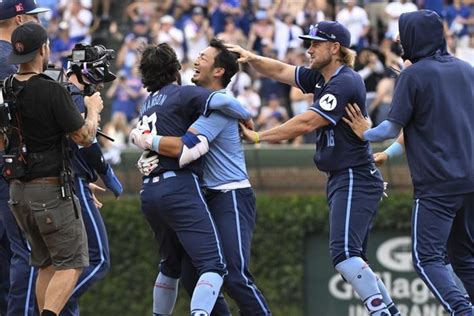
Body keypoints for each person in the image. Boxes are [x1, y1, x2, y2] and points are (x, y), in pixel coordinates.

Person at [228, 21, 400, 316]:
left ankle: (381, 313)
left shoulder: (344, 80)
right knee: (353, 256)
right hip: (345, 176)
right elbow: (281, 71)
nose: (309, 49)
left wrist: (260, 136)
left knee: (345, 255)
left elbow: (308, 122)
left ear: (335, 49)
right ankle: (389, 312)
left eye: (315, 43)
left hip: (354, 175)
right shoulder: (323, 77)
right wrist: (251, 56)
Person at [342, 10, 474, 316]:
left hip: (437, 185)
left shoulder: (413, 75)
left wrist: (365, 133)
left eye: (403, 33)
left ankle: (462, 311)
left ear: (417, 36)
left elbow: (389, 128)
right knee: (464, 257)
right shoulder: (467, 69)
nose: (398, 38)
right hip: (469, 181)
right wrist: (388, 154)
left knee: (426, 259)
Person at [135, 38, 272, 316]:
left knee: (233, 274)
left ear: (219, 71)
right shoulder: (192, 103)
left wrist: (148, 142)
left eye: (203, 57)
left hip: (228, 194)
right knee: (191, 274)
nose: (196, 61)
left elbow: (183, 150)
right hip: (202, 194)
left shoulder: (218, 109)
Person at [4, 22, 104, 316]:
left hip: (17, 192)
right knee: (72, 263)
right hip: (49, 190)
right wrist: (93, 110)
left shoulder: (5, 87)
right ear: (44, 49)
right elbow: (83, 137)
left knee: (45, 263)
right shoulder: (51, 89)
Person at [58, 44, 123, 316]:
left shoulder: (62, 92)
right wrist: (108, 177)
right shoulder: (75, 96)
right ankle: (50, 305)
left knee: (64, 263)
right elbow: (85, 141)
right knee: (98, 260)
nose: (99, 88)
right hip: (69, 185)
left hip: (67, 180)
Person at [0, 1, 50, 315]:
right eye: (32, 17)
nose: (35, 24)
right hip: (12, 168)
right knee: (31, 254)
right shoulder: (9, 60)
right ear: (20, 18)